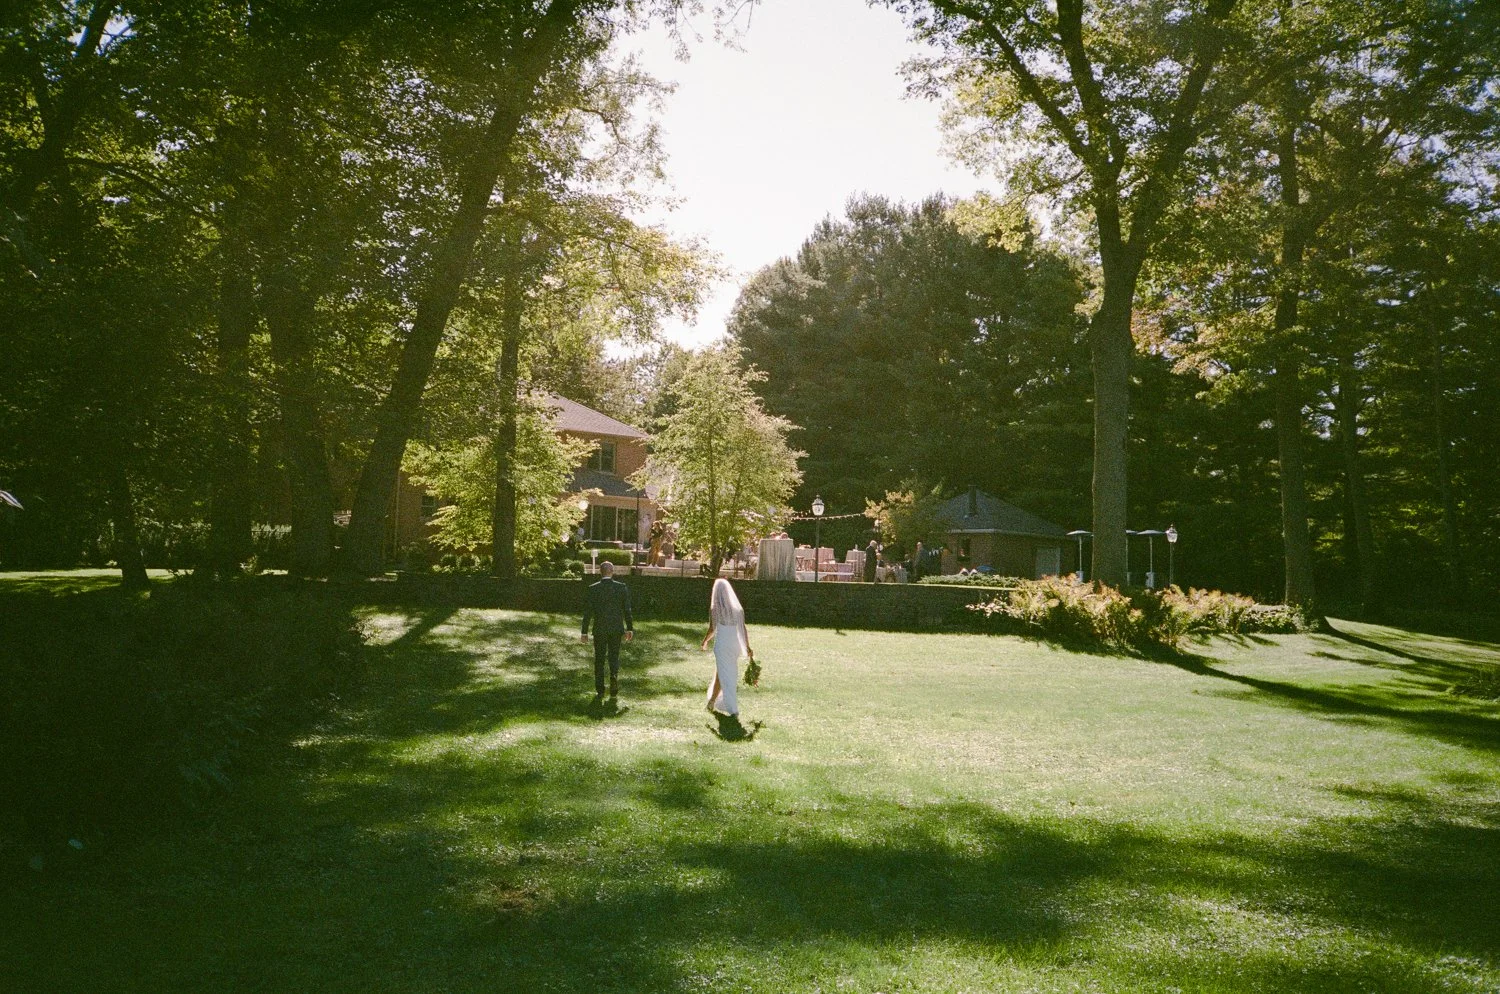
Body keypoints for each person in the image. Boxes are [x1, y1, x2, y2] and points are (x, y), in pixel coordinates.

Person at [580, 561, 633, 699]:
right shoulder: (621, 588)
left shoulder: (593, 589)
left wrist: (584, 632)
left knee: (599, 659)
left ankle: (600, 689)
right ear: (612, 571)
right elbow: (627, 610)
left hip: (600, 628)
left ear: (600, 572)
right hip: (616, 628)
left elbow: (588, 612)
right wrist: (629, 628)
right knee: (614, 656)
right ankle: (614, 676)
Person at [701, 578, 753, 717]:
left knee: (726, 675)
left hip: (723, 643)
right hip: (734, 643)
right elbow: (743, 628)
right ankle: (712, 701)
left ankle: (732, 708)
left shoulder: (715, 608)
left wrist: (705, 640)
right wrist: (747, 646)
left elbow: (712, 628)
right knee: (724, 673)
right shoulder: (736, 608)